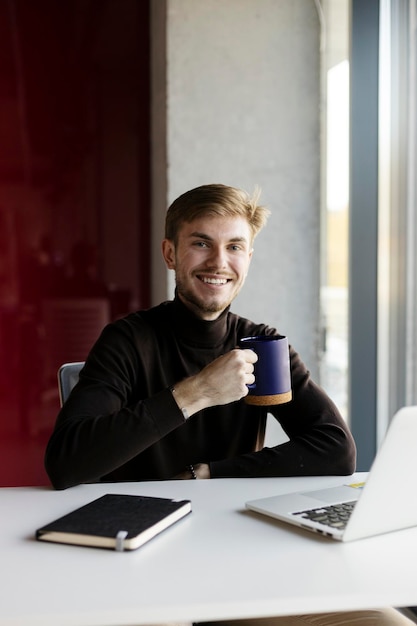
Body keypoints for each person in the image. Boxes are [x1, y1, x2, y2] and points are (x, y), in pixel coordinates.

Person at [44, 184, 413, 626]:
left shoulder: (263, 348)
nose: (219, 262)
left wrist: (208, 473)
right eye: (201, 243)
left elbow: (336, 449)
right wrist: (196, 392)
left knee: (386, 621)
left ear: (249, 259)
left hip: (238, 558)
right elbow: (66, 462)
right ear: (171, 253)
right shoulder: (127, 341)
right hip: (140, 569)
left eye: (235, 246)